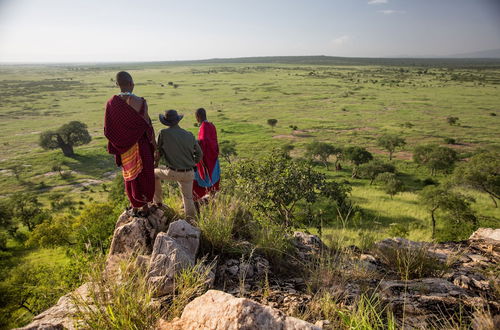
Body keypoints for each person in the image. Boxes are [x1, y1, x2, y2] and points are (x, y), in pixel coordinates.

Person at [104, 71, 156, 216]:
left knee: (130, 176)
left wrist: (120, 142)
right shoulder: (141, 102)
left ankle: (134, 205)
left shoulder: (111, 104)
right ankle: (145, 206)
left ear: (117, 84)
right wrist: (155, 146)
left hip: (125, 149)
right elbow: (147, 125)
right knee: (144, 175)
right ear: (132, 83)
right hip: (141, 146)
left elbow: (109, 130)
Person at [154, 109, 202, 219]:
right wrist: (191, 163)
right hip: (189, 172)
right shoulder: (189, 135)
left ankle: (158, 203)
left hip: (173, 172)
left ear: (166, 122)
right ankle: (191, 223)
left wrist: (156, 162)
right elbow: (199, 154)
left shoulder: (163, 133)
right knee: (188, 199)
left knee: (153, 174)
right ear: (177, 121)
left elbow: (157, 150)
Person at [193, 108, 220, 203]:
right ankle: (212, 198)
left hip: (207, 158)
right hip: (213, 156)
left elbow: (203, 141)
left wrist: (195, 143)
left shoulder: (204, 126)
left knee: (201, 177)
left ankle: (198, 199)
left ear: (198, 116)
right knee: (213, 177)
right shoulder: (211, 125)